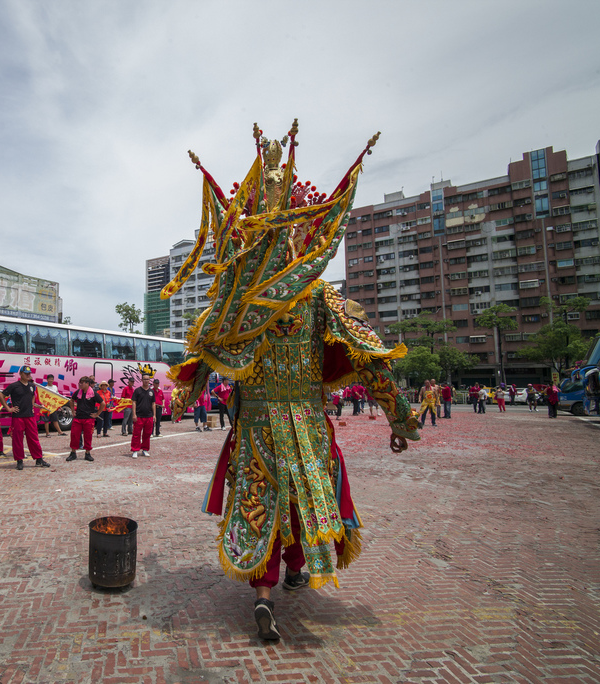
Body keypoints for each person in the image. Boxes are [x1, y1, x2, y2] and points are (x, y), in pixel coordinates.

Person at [164, 124, 419, 641]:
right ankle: (298, 567)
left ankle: (264, 591)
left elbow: (205, 352)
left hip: (257, 424)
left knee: (261, 498)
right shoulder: (319, 298)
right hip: (306, 420)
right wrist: (402, 420)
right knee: (305, 496)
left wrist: (184, 394)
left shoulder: (243, 302)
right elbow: (368, 358)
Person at [2, 366, 50, 470]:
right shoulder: (14, 386)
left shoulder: (32, 386)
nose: (28, 375)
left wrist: (33, 405)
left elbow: (32, 396)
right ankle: (19, 460)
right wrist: (8, 409)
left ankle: (39, 459)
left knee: (34, 438)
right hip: (18, 416)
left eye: (29, 373)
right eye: (26, 373)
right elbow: (1, 396)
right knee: (17, 439)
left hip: (30, 416)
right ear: (21, 374)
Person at [66, 376, 102, 462]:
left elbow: (102, 403)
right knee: (74, 436)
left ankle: (87, 453)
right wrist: (72, 411)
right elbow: (71, 400)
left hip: (89, 419)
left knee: (88, 436)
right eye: (80, 383)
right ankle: (73, 453)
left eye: (82, 383)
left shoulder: (93, 393)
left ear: (87, 384)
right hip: (78, 418)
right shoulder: (78, 392)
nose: (80, 384)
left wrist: (97, 414)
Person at [131, 366, 157, 458]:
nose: (146, 381)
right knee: (136, 434)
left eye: (148, 379)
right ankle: (135, 450)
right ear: (142, 380)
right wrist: (134, 414)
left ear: (150, 380)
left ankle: (145, 449)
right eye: (144, 379)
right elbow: (134, 402)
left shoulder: (151, 391)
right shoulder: (137, 391)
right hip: (139, 416)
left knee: (147, 434)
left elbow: (153, 403)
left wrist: (154, 415)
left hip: (149, 416)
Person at [41, 374, 65, 438]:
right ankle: (47, 433)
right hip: (47, 406)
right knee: (46, 420)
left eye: (52, 379)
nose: (51, 380)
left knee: (55, 419)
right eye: (49, 379)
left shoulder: (55, 387)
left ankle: (60, 432)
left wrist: (59, 404)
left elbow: (57, 396)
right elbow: (43, 397)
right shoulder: (45, 388)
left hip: (53, 406)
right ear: (47, 380)